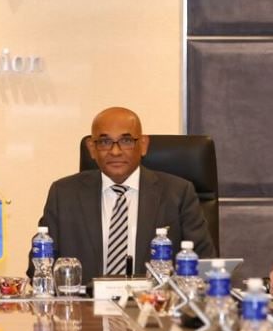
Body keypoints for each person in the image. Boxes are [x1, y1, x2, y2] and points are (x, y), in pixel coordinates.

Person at [27, 106, 216, 283]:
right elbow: (38, 268)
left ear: (143, 145)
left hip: (153, 304)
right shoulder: (64, 194)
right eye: (105, 142)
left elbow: (203, 264)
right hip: (84, 305)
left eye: (126, 141)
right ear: (92, 148)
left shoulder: (178, 193)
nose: (115, 151)